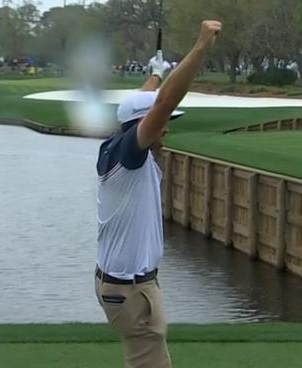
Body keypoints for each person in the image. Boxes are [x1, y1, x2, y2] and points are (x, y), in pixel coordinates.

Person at [94, 20, 222, 368]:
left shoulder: (116, 146)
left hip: (129, 286)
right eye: (162, 123)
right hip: (130, 290)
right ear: (142, 126)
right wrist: (200, 48)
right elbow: (163, 103)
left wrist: (155, 71)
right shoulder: (131, 156)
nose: (166, 128)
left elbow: (145, 103)